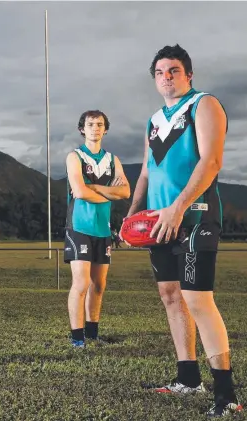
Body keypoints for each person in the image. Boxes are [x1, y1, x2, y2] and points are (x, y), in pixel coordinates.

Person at [123, 44, 242, 417]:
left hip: (195, 218)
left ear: (188, 74)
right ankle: (188, 379)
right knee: (171, 297)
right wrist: (131, 215)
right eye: (159, 72)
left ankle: (227, 394)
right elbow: (145, 171)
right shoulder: (154, 119)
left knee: (197, 300)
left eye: (173, 70)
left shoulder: (205, 104)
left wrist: (178, 208)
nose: (166, 77)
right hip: (160, 221)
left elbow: (212, 160)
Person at [64, 110, 130, 348]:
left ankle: (93, 333)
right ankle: (77, 338)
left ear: (105, 129)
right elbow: (79, 192)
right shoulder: (75, 157)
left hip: (103, 230)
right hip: (80, 227)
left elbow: (126, 192)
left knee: (99, 285)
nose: (95, 128)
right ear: (82, 129)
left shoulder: (113, 160)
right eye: (90, 124)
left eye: (99, 124)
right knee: (80, 284)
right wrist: (109, 193)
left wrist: (94, 187)